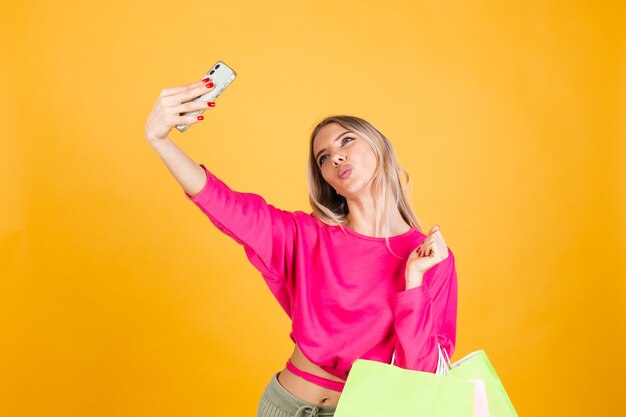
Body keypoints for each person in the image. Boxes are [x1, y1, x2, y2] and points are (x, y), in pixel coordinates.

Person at [145, 78, 458, 417]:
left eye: (347, 141)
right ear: (325, 179)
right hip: (283, 405)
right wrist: (160, 141)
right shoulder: (303, 235)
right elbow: (224, 204)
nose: (336, 157)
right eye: (324, 158)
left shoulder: (429, 258)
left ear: (380, 148)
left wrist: (413, 284)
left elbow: (423, 377)